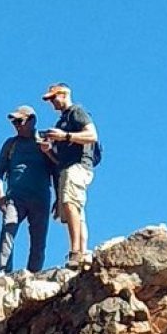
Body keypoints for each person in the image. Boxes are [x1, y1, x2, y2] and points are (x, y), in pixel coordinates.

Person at [0, 105, 57, 273]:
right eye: (14, 122)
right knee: (8, 228)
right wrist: (0, 195)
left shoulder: (45, 139)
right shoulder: (11, 144)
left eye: (20, 121)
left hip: (40, 197)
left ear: (32, 120)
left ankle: (33, 274)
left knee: (38, 240)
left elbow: (58, 167)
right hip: (15, 196)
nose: (17, 125)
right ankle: (3, 272)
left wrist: (48, 151)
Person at [41, 83, 98, 266]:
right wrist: (49, 150)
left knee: (70, 203)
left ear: (64, 94)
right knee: (76, 209)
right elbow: (59, 159)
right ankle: (81, 251)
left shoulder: (76, 112)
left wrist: (65, 136)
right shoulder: (63, 119)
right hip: (68, 167)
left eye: (53, 98)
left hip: (78, 166)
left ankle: (75, 252)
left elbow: (92, 135)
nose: (52, 103)